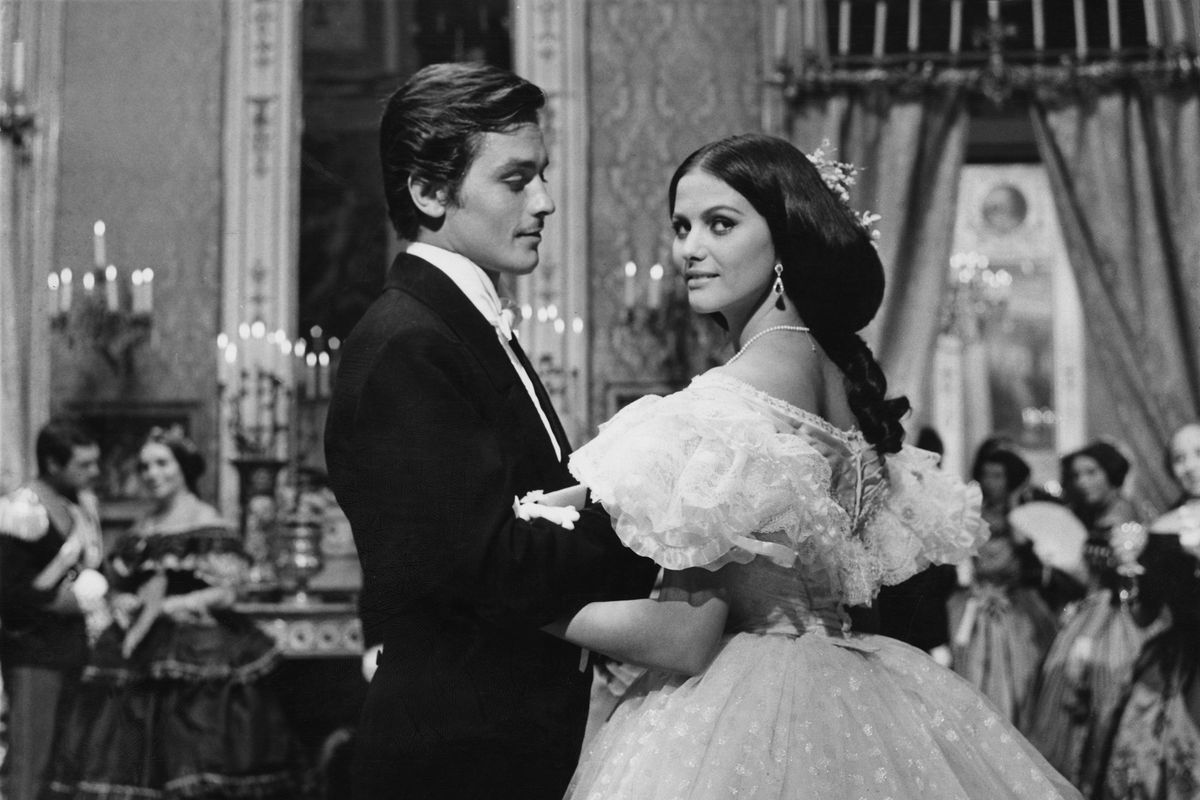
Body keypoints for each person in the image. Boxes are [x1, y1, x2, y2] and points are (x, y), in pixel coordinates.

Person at [529, 133, 1082, 798]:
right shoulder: (840, 377)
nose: (688, 249)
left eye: (720, 224)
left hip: (743, 716)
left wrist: (521, 604)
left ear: (786, 240)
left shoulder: (731, 401)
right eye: (681, 226)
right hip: (858, 682)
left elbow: (685, 637)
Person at [322, 62, 658, 800]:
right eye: (516, 179)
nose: (546, 201)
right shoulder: (408, 343)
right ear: (429, 190)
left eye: (541, 176)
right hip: (455, 758)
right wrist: (645, 509)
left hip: (505, 743)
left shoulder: (457, 324)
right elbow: (492, 565)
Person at [43, 428, 306, 799]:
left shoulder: (206, 521)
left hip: (197, 637)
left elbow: (227, 591)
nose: (153, 474)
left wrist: (174, 606)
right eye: (146, 466)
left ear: (183, 468)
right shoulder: (141, 528)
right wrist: (123, 601)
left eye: (162, 463)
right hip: (138, 642)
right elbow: (118, 583)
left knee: (195, 739)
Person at [1023, 440, 1161, 796]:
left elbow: (1121, 585)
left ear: (1111, 475)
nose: (1083, 482)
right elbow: (1089, 578)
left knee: (1103, 677)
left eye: (1091, 473)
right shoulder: (1090, 515)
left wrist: (1087, 634)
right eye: (1076, 475)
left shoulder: (1124, 517)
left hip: (1119, 614)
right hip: (1090, 608)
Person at [0, 420, 105, 800]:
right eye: (84, 465)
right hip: (32, 652)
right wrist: (64, 603)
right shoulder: (22, 509)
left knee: (64, 766)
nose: (94, 473)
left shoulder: (77, 507)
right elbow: (8, 593)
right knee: (30, 765)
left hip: (73, 649)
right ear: (52, 462)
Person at [1099, 422, 1200, 798]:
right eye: (1179, 459)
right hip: (1181, 663)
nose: (1190, 467)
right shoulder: (1160, 531)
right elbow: (1146, 615)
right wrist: (1129, 578)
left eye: (1198, 455)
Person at [946, 439, 1058, 721]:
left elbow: (1037, 566)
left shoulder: (1022, 518)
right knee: (971, 671)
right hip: (974, 602)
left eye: (997, 475)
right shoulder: (970, 514)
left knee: (1019, 676)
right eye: (985, 474)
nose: (989, 481)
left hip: (1014, 605)